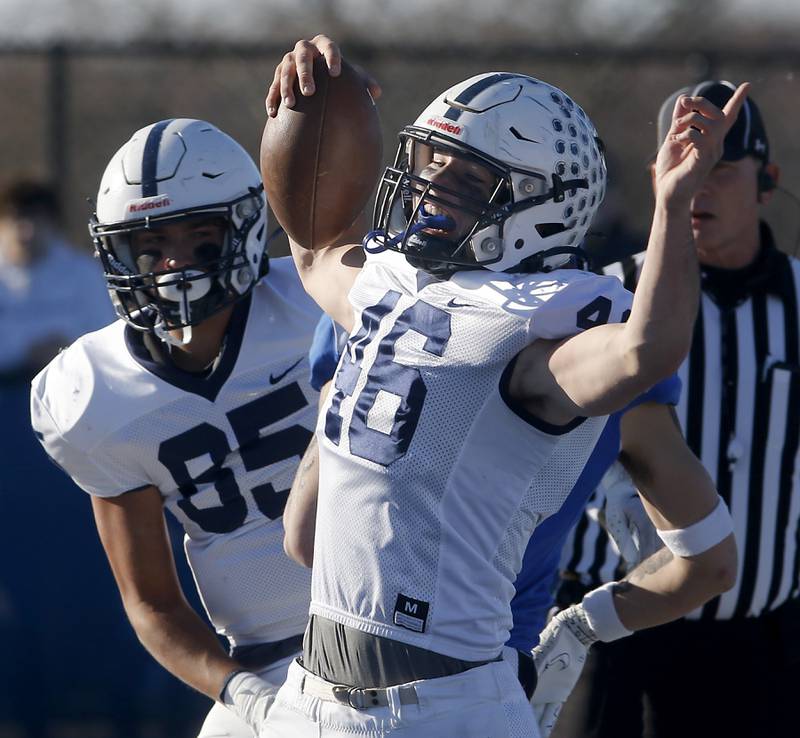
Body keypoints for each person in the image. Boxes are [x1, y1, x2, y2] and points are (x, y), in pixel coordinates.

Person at [259, 37, 744, 738]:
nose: (428, 192)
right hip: (306, 699)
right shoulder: (390, 284)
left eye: (463, 183)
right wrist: (317, 105)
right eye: (430, 166)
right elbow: (311, 238)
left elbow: (649, 348)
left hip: (446, 708)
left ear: (539, 209)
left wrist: (672, 203)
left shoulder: (535, 334)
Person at [30, 118, 324, 737]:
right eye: (152, 243)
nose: (174, 265)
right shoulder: (92, 391)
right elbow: (152, 603)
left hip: (400, 636)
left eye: (201, 239)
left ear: (243, 229)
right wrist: (247, 697)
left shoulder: (319, 302)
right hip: (262, 666)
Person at [551, 80, 800, 738]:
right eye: (682, 166)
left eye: (718, 168)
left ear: (766, 181)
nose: (699, 186)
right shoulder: (602, 300)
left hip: (760, 642)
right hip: (614, 629)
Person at [0, 180, 113, 384]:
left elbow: (106, 333)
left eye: (36, 218)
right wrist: (26, 352)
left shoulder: (84, 272)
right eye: (17, 219)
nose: (27, 231)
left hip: (74, 381)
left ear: (53, 223)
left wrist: (65, 351)